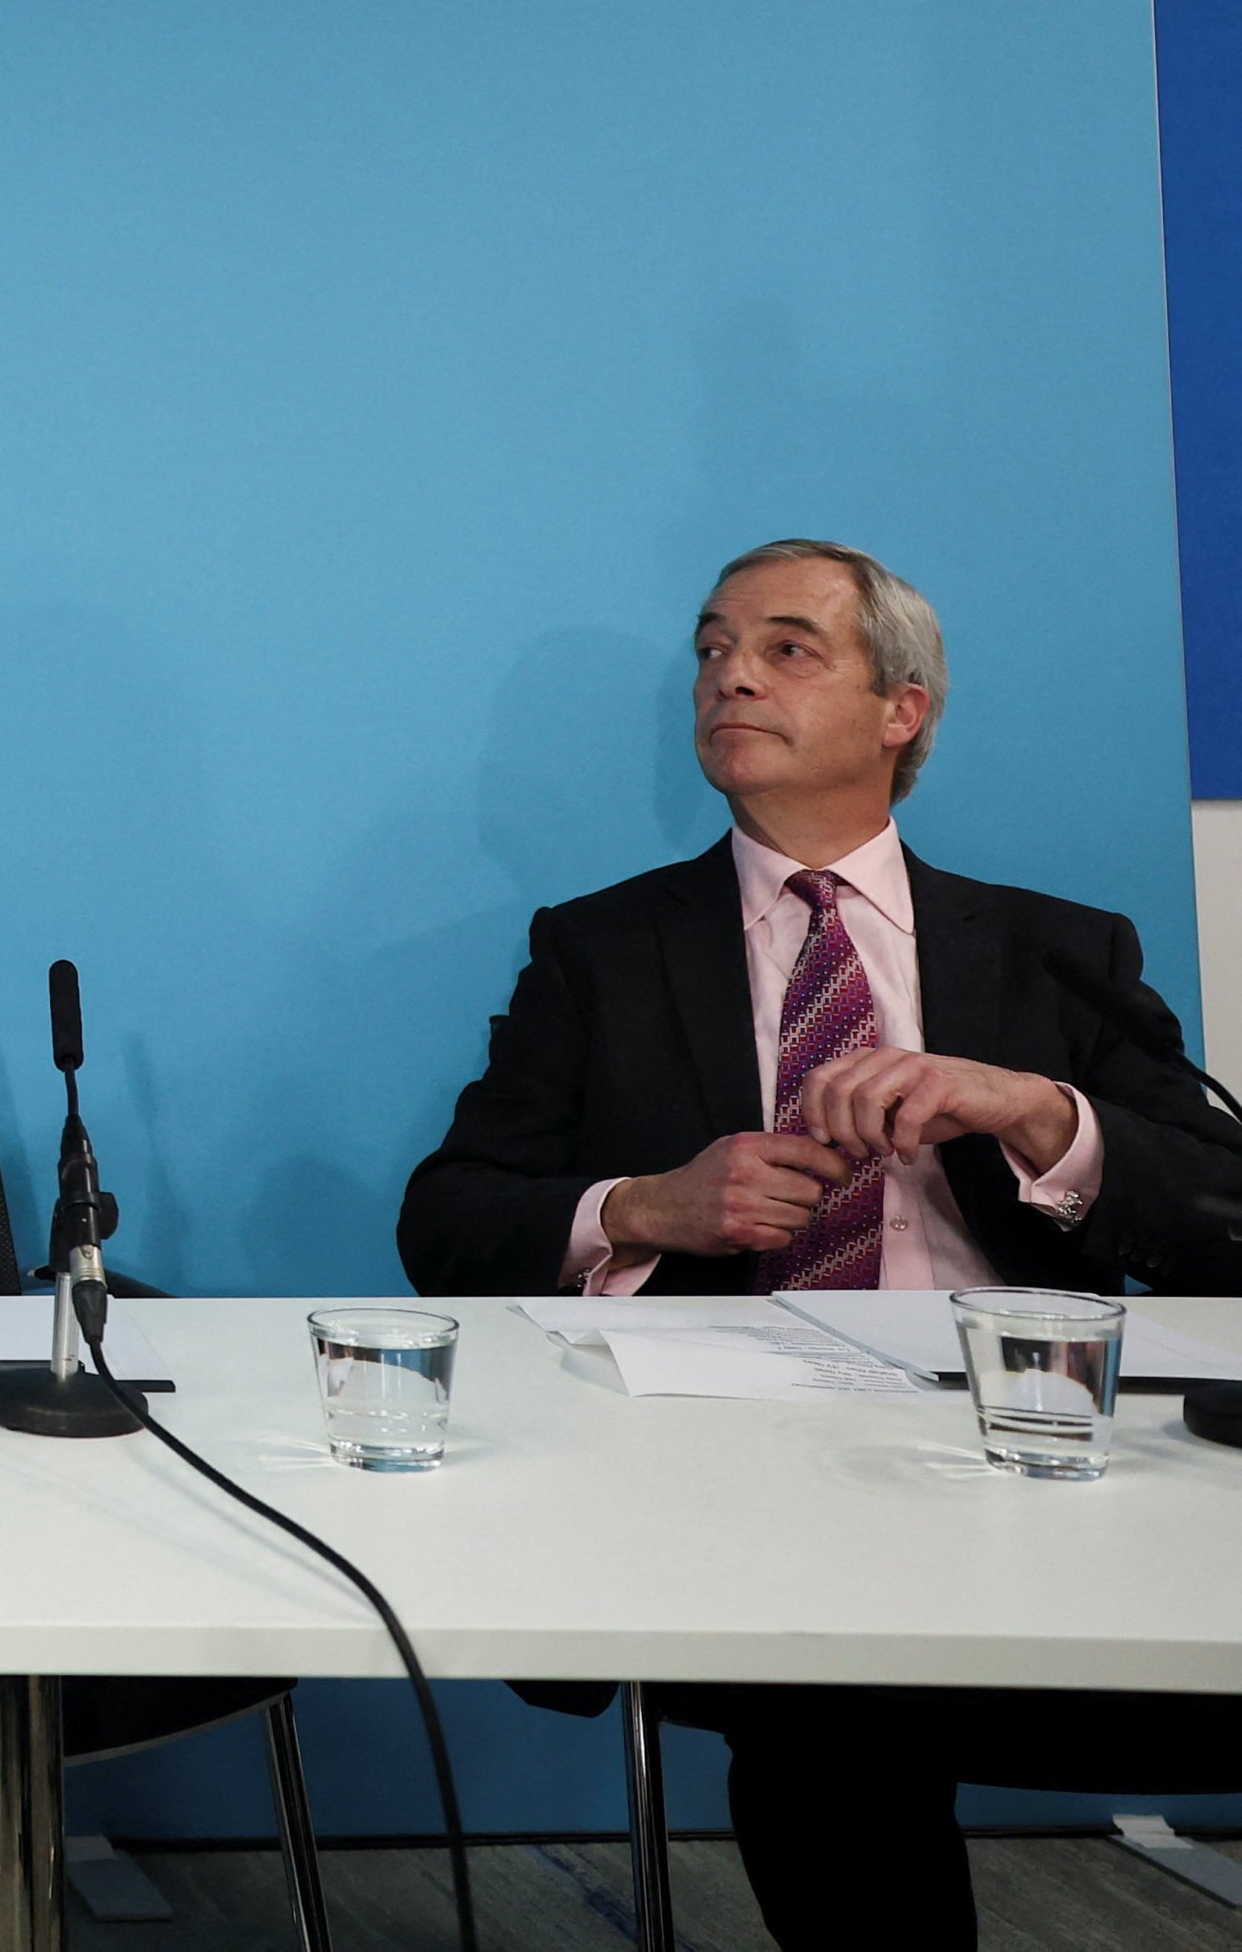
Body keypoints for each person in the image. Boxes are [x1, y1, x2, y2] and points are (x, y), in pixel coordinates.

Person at [400, 540, 1242, 1950]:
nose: (730, 671)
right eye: (714, 646)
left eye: (789, 646)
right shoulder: (600, 950)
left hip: (1039, 1453)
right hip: (747, 1478)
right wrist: (647, 1207)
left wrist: (1039, 1113)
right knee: (831, 1678)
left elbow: (1226, 1219)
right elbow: (446, 1219)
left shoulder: (1056, 950)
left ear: (902, 708)